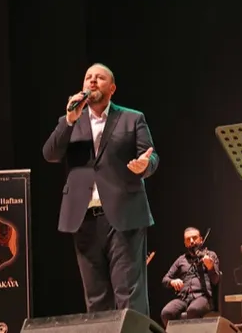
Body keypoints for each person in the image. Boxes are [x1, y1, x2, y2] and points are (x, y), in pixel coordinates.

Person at [43, 63, 159, 316]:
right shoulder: (71, 121)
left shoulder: (132, 118)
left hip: (124, 217)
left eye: (100, 77)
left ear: (112, 88)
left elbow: (151, 156)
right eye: (88, 77)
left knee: (129, 294)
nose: (92, 81)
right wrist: (69, 120)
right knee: (96, 298)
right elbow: (50, 154)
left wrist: (144, 165)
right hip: (84, 219)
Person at [160, 227, 220, 326]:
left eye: (194, 238)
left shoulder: (210, 255)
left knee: (193, 310)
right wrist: (172, 282)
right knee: (166, 313)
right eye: (188, 239)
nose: (192, 241)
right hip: (183, 298)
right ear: (185, 243)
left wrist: (210, 267)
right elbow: (165, 279)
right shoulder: (181, 260)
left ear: (201, 239)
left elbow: (215, 280)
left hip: (203, 297)